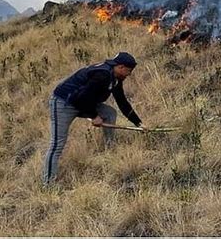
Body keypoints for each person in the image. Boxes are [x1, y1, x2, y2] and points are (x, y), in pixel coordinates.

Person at [42, 51, 145, 185]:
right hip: (63, 103)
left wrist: (138, 123)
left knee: (109, 113)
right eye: (128, 71)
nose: (129, 74)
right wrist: (94, 116)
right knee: (57, 144)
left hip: (82, 102)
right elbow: (82, 98)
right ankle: (48, 185)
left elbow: (122, 101)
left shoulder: (116, 78)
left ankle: (109, 150)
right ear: (120, 67)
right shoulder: (102, 75)